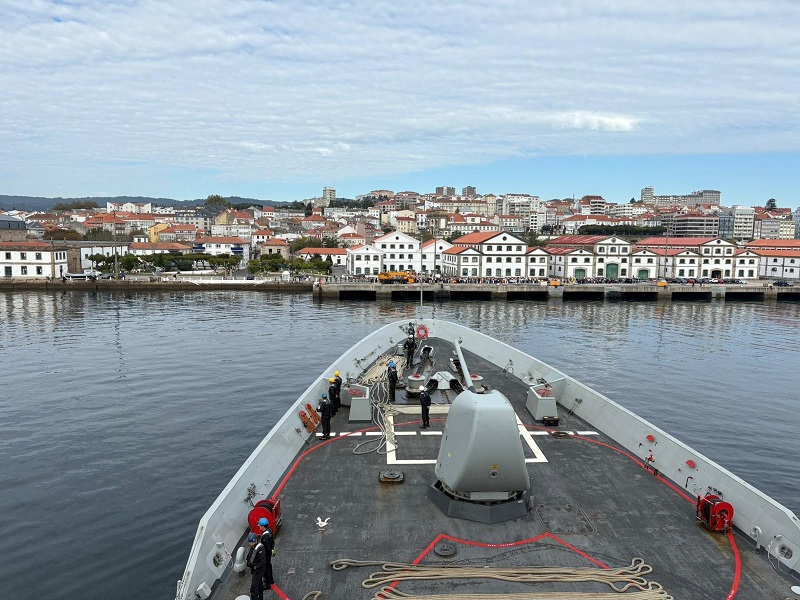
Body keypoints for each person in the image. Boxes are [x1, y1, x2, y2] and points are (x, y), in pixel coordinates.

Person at [245, 532, 267, 600]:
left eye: (252, 542)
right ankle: (260, 597)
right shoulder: (253, 547)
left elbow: (263, 562)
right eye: (250, 543)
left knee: (254, 588)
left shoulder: (261, 549)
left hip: (258, 570)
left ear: (256, 541)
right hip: (254, 568)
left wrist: (255, 567)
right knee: (259, 584)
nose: (251, 544)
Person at [256, 517, 275, 590]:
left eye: (260, 526)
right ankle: (271, 580)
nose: (259, 527)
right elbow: (272, 543)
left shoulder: (265, 537)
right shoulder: (269, 531)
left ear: (263, 526)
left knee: (266, 569)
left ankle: (267, 584)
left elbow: (266, 548)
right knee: (269, 566)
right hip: (269, 553)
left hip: (266, 555)